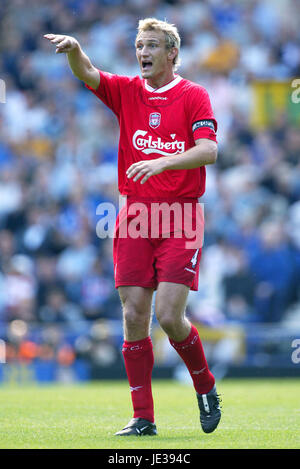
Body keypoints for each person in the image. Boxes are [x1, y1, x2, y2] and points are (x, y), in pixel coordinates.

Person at [44, 17, 221, 436]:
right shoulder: (126, 90)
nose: (143, 53)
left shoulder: (194, 95)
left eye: (152, 46)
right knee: (133, 315)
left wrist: (161, 162)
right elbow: (88, 72)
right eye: (139, 45)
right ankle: (143, 418)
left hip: (180, 216)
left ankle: (205, 385)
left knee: (170, 316)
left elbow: (209, 150)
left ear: (171, 53)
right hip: (135, 217)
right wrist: (74, 49)